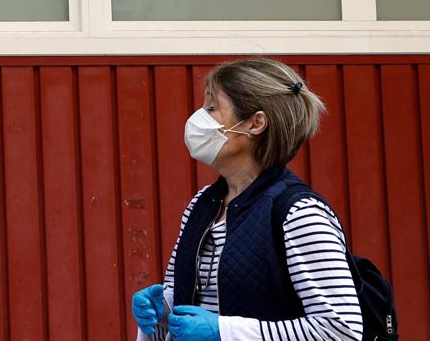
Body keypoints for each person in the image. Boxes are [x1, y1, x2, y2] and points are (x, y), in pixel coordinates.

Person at [130, 58, 363, 341]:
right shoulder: (202, 204)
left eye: (212, 107)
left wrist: (224, 331)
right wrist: (161, 313)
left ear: (255, 123)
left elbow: (341, 330)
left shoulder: (299, 214)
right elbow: (198, 300)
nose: (198, 118)